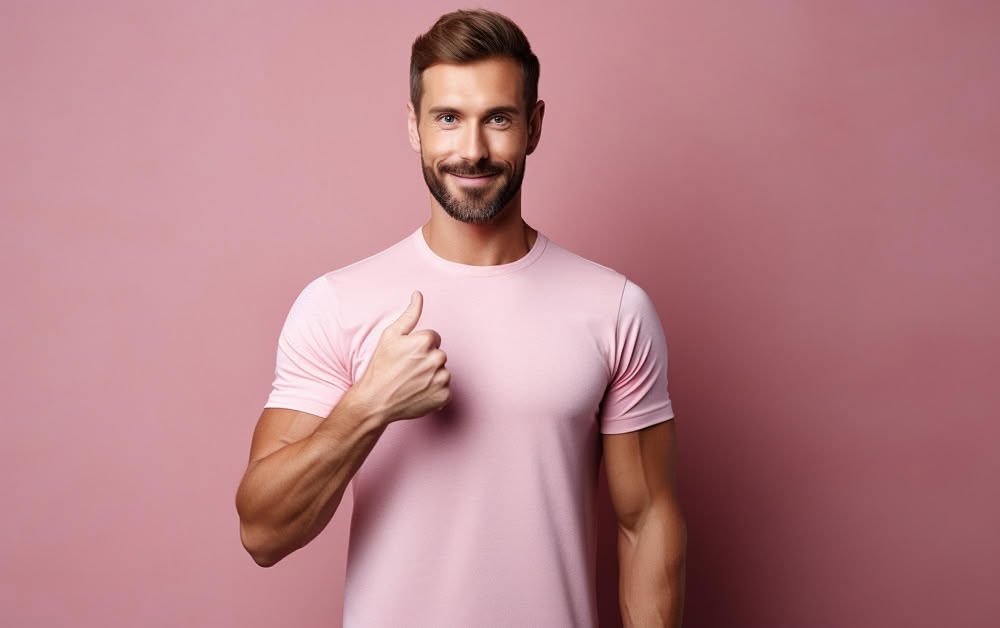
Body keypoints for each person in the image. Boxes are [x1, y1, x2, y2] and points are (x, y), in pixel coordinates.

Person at [235, 9, 685, 627]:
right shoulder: (338, 303)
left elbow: (646, 522)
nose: (471, 150)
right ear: (414, 127)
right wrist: (369, 405)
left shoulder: (614, 309)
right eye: (447, 118)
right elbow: (262, 533)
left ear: (533, 126)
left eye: (497, 118)